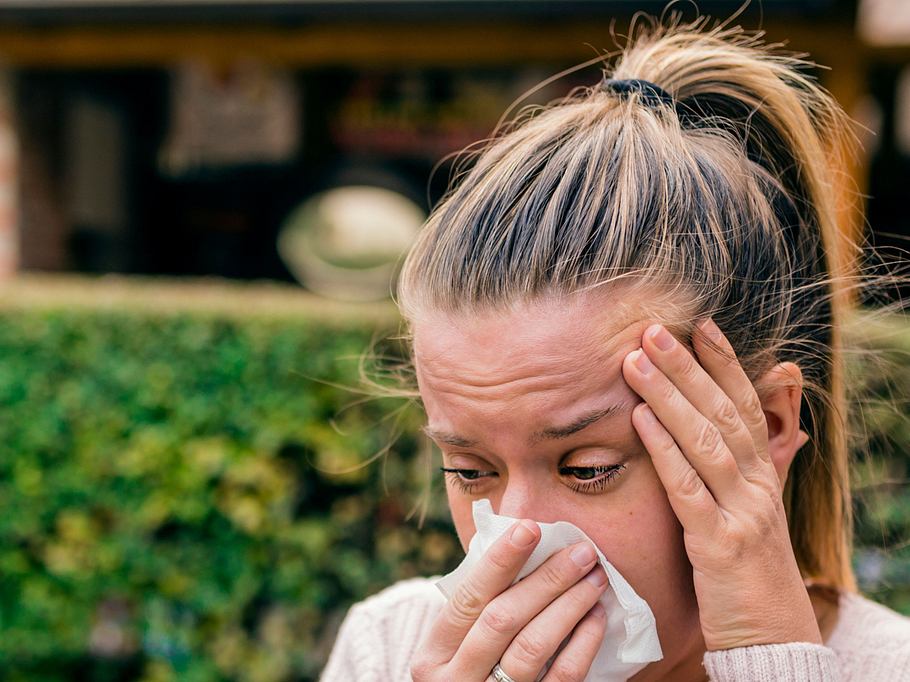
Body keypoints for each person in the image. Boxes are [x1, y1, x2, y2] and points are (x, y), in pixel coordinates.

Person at [320, 13, 910, 682]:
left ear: (767, 426)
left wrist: (770, 655)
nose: (517, 537)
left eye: (588, 468)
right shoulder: (390, 650)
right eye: (470, 471)